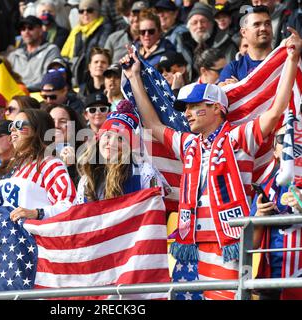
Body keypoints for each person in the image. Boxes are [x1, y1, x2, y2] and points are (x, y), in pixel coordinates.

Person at [121, 27, 301, 299]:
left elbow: (275, 111)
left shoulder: (239, 137)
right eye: (187, 109)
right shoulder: (190, 144)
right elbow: (154, 125)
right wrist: (134, 76)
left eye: (196, 106)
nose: (189, 114)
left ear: (218, 108)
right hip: (192, 241)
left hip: (229, 241)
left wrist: (291, 58)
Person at [0, 109, 76, 222]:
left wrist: (37, 213)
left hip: (36, 237)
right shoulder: (14, 168)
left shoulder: (50, 164)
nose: (13, 129)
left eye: (18, 125)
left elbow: (69, 206)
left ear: (37, 129)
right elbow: (7, 212)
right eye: (11, 126)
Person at [76, 99, 168, 203]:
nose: (112, 143)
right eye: (108, 136)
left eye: (121, 139)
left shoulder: (144, 173)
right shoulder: (86, 180)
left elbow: (155, 211)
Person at [251, 126, 291, 300]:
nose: (290, 143)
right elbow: (251, 244)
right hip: (271, 281)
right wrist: (259, 217)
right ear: (275, 152)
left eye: (295, 137)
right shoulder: (265, 190)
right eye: (283, 139)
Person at [175, 2, 237, 82]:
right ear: (189, 27)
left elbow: (231, 72)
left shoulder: (226, 43)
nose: (199, 26)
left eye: (203, 21)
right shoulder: (184, 45)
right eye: (195, 23)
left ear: (211, 23)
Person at [61, 0, 112, 87]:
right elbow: (65, 56)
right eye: (81, 11)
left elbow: (101, 53)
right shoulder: (76, 31)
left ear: (97, 12)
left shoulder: (104, 29)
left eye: (89, 10)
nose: (85, 13)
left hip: (94, 78)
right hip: (76, 77)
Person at [219, 5, 273, 85]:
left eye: (267, 24)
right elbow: (224, 94)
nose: (263, 28)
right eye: (256, 24)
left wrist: (239, 88)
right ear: (244, 32)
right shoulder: (233, 68)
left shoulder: (285, 60)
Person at [7, 15, 61, 91]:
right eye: (23, 29)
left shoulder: (51, 50)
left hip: (40, 94)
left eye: (30, 28)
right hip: (16, 95)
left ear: (40, 30)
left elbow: (49, 78)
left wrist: (24, 88)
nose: (26, 32)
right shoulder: (14, 55)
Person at [44, 103, 86, 185]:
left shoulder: (86, 154)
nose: (56, 125)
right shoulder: (37, 155)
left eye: (63, 121)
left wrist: (70, 167)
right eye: (51, 121)